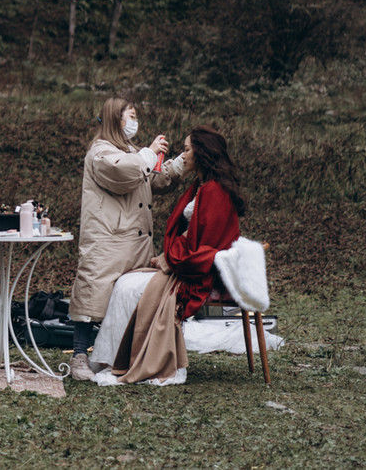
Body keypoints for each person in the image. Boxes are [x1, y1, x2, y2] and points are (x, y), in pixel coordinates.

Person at [92, 126, 247, 385]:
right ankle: (112, 358)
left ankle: (133, 360)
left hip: (198, 271)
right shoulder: (203, 185)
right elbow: (193, 233)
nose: (183, 156)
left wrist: (170, 260)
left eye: (187, 150)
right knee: (126, 283)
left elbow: (209, 246)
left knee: (130, 288)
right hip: (183, 262)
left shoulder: (215, 191)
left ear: (202, 154)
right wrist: (169, 257)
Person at [67, 96, 180, 381]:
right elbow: (124, 172)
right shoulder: (100, 151)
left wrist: (180, 165)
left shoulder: (130, 150)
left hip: (135, 240)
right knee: (92, 296)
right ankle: (79, 355)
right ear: (116, 119)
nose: (134, 121)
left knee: (128, 298)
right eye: (130, 116)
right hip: (107, 239)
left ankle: (119, 353)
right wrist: (149, 152)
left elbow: (152, 179)